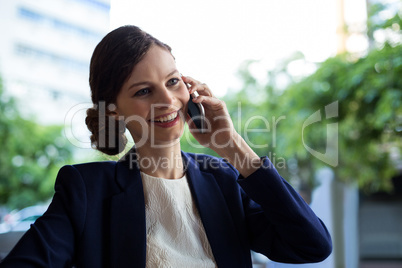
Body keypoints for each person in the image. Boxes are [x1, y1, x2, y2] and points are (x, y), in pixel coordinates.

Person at [0, 25, 332, 267]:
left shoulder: (223, 180)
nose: (167, 100)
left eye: (173, 81)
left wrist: (232, 146)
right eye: (144, 91)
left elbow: (312, 246)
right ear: (113, 111)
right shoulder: (86, 191)